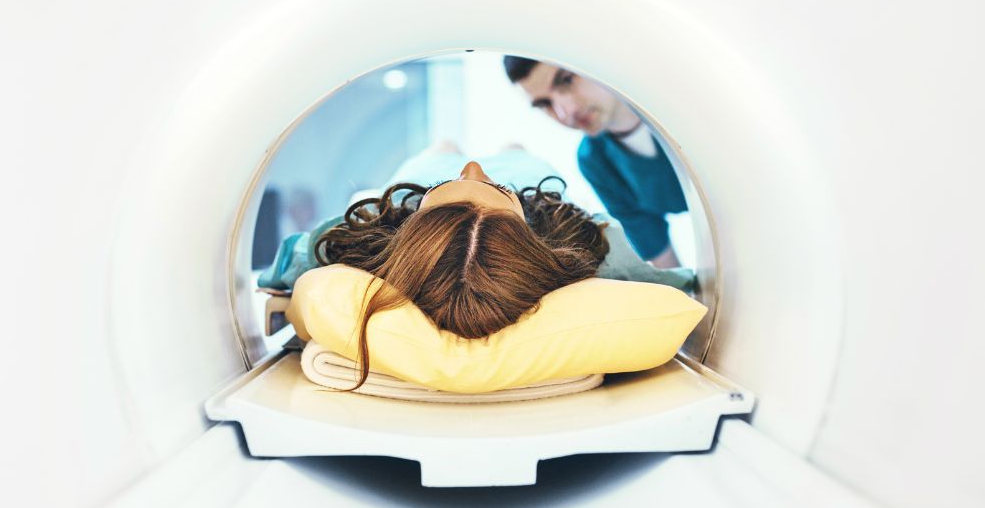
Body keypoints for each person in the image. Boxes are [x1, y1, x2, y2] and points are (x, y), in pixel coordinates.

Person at [259, 146, 694, 389]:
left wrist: (436, 186)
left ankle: (439, 174)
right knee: (517, 151)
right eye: (483, 186)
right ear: (531, 241)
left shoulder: (356, 237)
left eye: (456, 186)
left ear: (407, 230)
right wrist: (508, 191)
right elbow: (675, 287)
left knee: (440, 152)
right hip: (528, 185)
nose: (474, 168)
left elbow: (283, 277)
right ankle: (503, 172)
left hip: (420, 182)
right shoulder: (591, 246)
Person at [503, 56, 688, 269]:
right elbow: (660, 255)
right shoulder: (594, 160)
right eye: (546, 103)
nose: (566, 111)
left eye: (566, 80)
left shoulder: (680, 99)